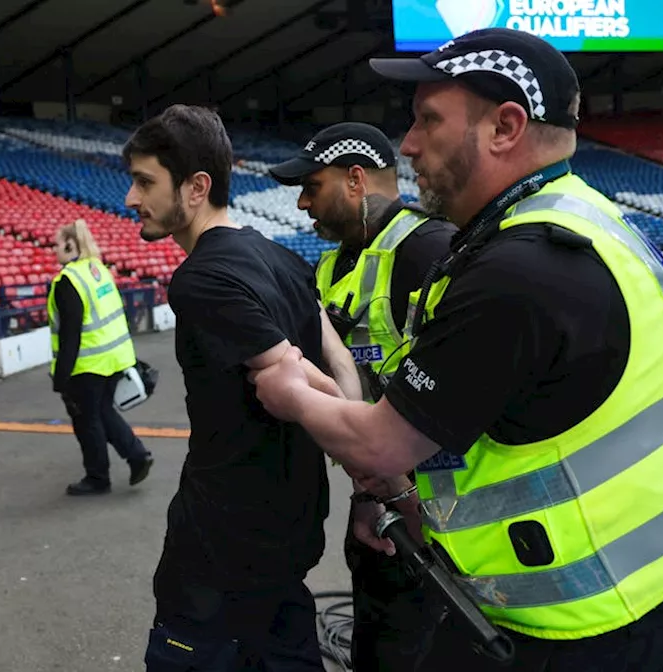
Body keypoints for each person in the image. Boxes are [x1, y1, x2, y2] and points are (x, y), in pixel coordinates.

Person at [249, 28, 663, 671]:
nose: (408, 145)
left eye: (428, 120)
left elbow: (381, 445)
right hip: (658, 588)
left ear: (505, 127)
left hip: (580, 626)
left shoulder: (519, 271)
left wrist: (287, 388)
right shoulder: (587, 216)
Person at [122, 104, 358, 671]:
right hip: (289, 535)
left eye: (145, 181)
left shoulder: (200, 278)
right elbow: (339, 361)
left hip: (221, 553)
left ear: (197, 186)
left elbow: (297, 375)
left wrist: (377, 468)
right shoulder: (280, 256)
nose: (131, 198)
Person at [268, 121, 456, 671]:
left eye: (312, 186)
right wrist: (369, 499)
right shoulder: (334, 264)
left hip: (439, 521)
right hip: (380, 505)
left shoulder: (430, 249)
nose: (302, 203)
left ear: (355, 180)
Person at [47, 218, 153, 496]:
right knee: (103, 411)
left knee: (86, 421)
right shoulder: (97, 269)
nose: (53, 249)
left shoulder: (67, 281)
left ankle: (97, 477)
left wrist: (61, 378)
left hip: (88, 364)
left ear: (70, 244)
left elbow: (71, 336)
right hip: (114, 358)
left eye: (56, 244)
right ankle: (137, 455)